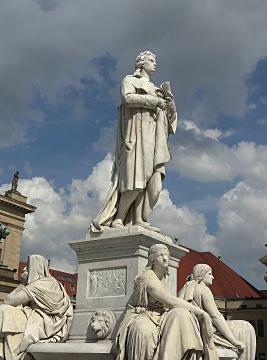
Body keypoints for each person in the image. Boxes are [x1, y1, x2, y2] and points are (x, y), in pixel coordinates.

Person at [90, 51, 177, 233]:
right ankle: (119, 218)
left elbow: (168, 119)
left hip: (152, 136)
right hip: (136, 135)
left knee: (150, 181)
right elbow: (128, 98)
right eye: (151, 60)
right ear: (141, 63)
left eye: (155, 61)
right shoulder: (130, 80)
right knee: (135, 179)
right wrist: (153, 101)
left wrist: (169, 106)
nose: (155, 64)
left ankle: (138, 218)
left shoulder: (155, 88)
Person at [112, 244, 213, 360]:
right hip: (143, 314)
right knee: (145, 332)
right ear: (152, 259)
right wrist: (201, 312)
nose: (165, 258)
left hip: (160, 315)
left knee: (183, 315)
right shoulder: (148, 278)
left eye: (167, 255)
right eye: (161, 255)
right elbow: (171, 301)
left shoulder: (164, 276)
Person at [0, 255, 73, 360]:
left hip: (45, 323)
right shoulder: (52, 282)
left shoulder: (38, 285)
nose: (24, 269)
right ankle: (0, 355)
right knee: (3, 312)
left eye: (27, 266)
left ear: (35, 268)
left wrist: (22, 284)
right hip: (42, 319)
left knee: (3, 310)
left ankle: (2, 355)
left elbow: (8, 301)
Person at [178, 264, 256, 360]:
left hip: (196, 329)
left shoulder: (184, 290)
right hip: (207, 330)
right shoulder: (204, 290)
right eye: (210, 274)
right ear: (201, 275)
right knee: (246, 328)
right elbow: (216, 316)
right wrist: (234, 341)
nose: (213, 277)